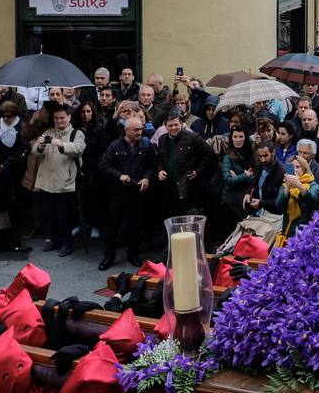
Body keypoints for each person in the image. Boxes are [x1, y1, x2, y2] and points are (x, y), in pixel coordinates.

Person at [96, 117, 156, 271]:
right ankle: (109, 256)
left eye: (141, 129)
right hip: (119, 192)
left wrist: (147, 178)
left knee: (135, 225)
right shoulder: (115, 145)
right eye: (135, 130)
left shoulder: (145, 145)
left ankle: (133, 254)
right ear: (126, 130)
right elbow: (104, 166)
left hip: (137, 192)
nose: (139, 132)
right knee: (113, 226)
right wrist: (119, 176)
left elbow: (152, 165)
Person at [31, 101, 86, 256]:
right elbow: (35, 151)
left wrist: (61, 144)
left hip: (65, 182)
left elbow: (78, 149)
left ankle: (67, 243)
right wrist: (40, 145)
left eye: (62, 118)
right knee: (50, 214)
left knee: (64, 216)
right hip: (47, 182)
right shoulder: (48, 132)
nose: (59, 121)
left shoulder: (77, 133)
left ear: (69, 117)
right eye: (56, 118)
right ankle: (54, 240)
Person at [155, 108, 208, 220]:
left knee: (190, 217)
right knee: (174, 217)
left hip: (188, 186)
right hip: (170, 186)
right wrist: (160, 170)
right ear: (165, 126)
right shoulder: (162, 139)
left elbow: (208, 154)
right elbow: (159, 159)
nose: (173, 128)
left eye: (176, 124)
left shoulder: (193, 138)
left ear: (181, 123)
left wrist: (198, 171)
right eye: (170, 125)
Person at [273, 154, 319, 246]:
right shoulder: (284, 186)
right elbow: (278, 205)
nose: (295, 170)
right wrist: (288, 187)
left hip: (306, 231)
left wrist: (299, 185)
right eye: (291, 167)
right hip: (287, 231)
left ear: (304, 169)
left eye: (298, 167)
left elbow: (314, 202)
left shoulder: (313, 185)